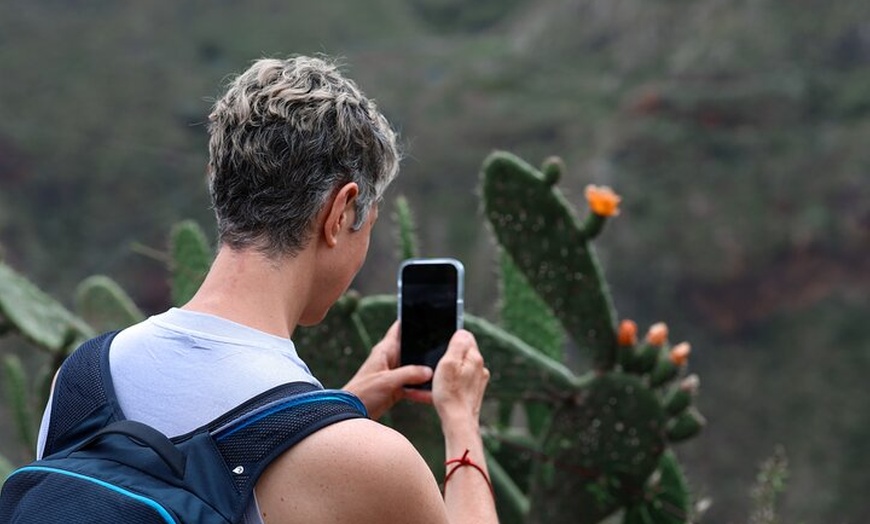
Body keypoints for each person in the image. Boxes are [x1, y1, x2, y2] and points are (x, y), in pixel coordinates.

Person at [35, 55, 499, 524]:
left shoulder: (79, 383)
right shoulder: (373, 464)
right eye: (368, 225)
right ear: (341, 213)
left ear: (218, 185)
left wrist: (339, 407)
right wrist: (461, 420)